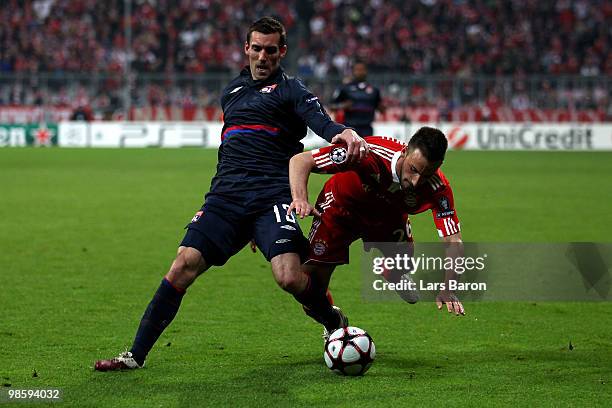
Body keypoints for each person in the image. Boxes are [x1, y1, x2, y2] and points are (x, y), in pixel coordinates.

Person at [94, 16, 367, 371]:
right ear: (246, 49)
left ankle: (332, 321)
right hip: (226, 197)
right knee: (182, 266)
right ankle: (134, 356)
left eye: (271, 50)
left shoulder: (292, 89)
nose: (263, 56)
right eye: (257, 49)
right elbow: (231, 147)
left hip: (271, 196)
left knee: (289, 277)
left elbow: (321, 122)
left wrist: (341, 132)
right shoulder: (232, 92)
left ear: (281, 52)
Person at [287, 127, 465, 320]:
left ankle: (392, 273)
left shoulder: (438, 188)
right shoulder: (368, 152)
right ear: (404, 152)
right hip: (340, 210)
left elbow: (454, 242)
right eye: (413, 169)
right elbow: (301, 160)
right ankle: (334, 323)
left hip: (388, 217)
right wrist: (300, 199)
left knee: (404, 262)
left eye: (426, 174)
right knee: (311, 287)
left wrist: (448, 288)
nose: (415, 182)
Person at [331, 61, 385, 137]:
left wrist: (382, 107)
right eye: (358, 70)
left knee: (366, 148)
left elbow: (380, 108)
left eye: (362, 69)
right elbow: (332, 106)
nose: (360, 72)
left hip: (367, 128)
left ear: (366, 71)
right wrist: (343, 106)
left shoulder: (374, 90)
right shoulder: (345, 88)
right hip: (349, 128)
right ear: (353, 72)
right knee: (351, 148)